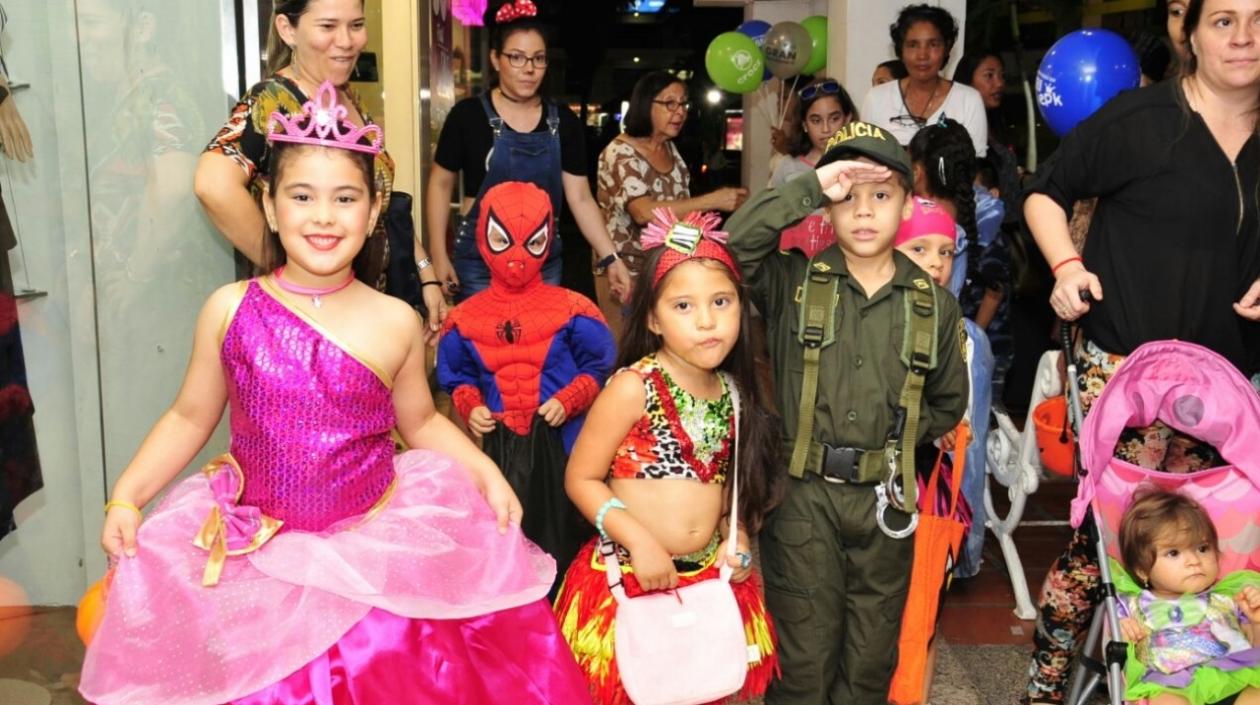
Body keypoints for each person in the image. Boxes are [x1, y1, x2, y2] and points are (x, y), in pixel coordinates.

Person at [78, 82, 591, 705]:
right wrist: (127, 497)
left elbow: (422, 422)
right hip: (257, 561)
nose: (323, 216)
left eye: (345, 198)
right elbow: (190, 417)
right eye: (302, 196)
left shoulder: (395, 321)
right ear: (268, 206)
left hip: (368, 560)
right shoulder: (229, 310)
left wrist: (486, 475)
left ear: (374, 211)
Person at [1022, 2, 1260, 702]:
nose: (1244, 36)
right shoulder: (1140, 120)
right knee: (1115, 550)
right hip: (1126, 373)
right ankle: (1045, 684)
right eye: (1224, 20)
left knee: (1222, 545)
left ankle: (1198, 676)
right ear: (1190, 33)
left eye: (1259, 17)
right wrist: (1067, 267)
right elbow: (1045, 193)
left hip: (1226, 388)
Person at [725, 122, 969, 704]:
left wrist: (894, 446)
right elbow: (731, 249)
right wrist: (811, 185)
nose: (864, 212)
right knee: (803, 661)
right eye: (847, 197)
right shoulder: (793, 281)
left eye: (881, 196)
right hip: (804, 498)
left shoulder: (935, 306)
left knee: (869, 662)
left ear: (907, 205)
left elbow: (946, 402)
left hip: (887, 501)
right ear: (828, 209)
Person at [552, 209, 781, 705]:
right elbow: (581, 478)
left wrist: (734, 534)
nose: (706, 320)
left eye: (721, 302)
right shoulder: (633, 387)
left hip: (704, 583)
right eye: (683, 306)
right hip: (628, 582)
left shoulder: (736, 394)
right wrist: (641, 541)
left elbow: (724, 485)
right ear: (653, 318)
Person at [195, 0, 445, 332]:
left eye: (356, 25)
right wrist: (287, 272)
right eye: (328, 26)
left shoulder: (345, 97)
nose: (346, 40)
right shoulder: (272, 100)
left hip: (368, 310)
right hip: (314, 322)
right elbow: (213, 185)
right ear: (287, 30)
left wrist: (425, 272)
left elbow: (378, 200)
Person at [437, 180, 615, 596]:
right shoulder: (462, 319)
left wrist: (571, 398)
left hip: (564, 446)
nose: (516, 257)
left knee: (568, 540)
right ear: (483, 235)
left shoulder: (574, 309)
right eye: (503, 240)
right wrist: (469, 403)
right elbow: (457, 375)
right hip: (498, 449)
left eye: (531, 242)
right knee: (504, 540)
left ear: (547, 239)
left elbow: (600, 365)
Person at [428, 0, 630, 305]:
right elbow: (440, 184)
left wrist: (609, 256)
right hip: (478, 262)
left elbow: (580, 197)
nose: (529, 69)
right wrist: (438, 256)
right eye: (517, 58)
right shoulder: (467, 116)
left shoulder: (564, 122)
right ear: (496, 59)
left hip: (542, 261)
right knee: (484, 349)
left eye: (538, 59)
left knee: (538, 347)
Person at [596, 71, 747, 282]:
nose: (680, 112)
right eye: (670, 103)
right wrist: (713, 200)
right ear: (646, 105)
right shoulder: (620, 152)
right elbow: (643, 213)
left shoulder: (668, 147)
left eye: (684, 104)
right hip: (625, 273)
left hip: (667, 267)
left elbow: (680, 209)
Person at [1116, 488, 1260, 705]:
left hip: (1235, 676)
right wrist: (1122, 630)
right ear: (1142, 570)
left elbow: (1254, 650)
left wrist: (1256, 622)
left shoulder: (1229, 598)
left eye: (1202, 548)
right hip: (1171, 683)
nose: (1194, 560)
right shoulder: (1135, 605)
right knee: (1164, 701)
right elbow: (1117, 650)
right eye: (1173, 553)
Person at [862, 4, 988, 157]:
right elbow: (866, 161)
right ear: (901, 49)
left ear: (947, 47)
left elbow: (976, 168)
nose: (922, 55)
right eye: (913, 45)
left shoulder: (968, 100)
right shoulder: (876, 98)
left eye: (933, 44)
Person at [769, 77, 857, 257]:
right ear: (804, 125)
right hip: (793, 268)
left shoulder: (859, 165)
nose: (826, 129)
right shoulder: (787, 166)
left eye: (834, 118)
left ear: (847, 119)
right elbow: (770, 218)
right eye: (816, 120)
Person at [952, 51, 1021, 222]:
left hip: (1008, 226)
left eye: (1001, 76)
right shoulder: (955, 130)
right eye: (989, 76)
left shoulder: (996, 124)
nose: (999, 84)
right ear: (967, 81)